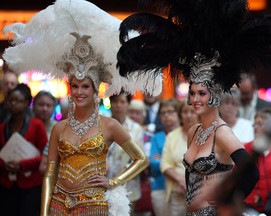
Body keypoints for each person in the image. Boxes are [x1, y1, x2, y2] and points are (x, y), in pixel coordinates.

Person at [115, 1, 271, 215]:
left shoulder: (221, 132)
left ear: (214, 94)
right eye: (192, 93)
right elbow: (190, 177)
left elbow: (251, 173)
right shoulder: (194, 131)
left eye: (201, 93)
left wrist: (226, 198)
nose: (195, 99)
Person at [2, 0, 162, 215]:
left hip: (94, 206)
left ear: (96, 89)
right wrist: (44, 212)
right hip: (59, 205)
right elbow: (50, 173)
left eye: (85, 86)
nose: (79, 92)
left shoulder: (110, 125)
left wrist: (114, 181)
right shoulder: (59, 128)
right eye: (75, 86)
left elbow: (141, 159)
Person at [0, 83, 48, 216]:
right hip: (6, 184)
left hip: (30, 185)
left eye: (18, 101)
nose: (13, 104)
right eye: (10, 100)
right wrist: (5, 164)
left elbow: (45, 155)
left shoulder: (36, 125)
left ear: (27, 103)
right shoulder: (2, 127)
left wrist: (21, 165)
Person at [244, 108, 271, 215]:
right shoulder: (245, 148)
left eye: (261, 124)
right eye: (255, 124)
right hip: (248, 207)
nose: (256, 128)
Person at [108, 91, 145, 215]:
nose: (118, 105)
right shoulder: (102, 124)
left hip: (128, 185)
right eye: (115, 101)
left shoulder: (136, 129)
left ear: (128, 104)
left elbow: (140, 158)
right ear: (110, 103)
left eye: (122, 102)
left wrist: (119, 178)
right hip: (103, 181)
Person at [160, 101, 199, 216]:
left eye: (192, 111)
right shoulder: (172, 136)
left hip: (201, 193)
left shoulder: (207, 134)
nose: (188, 115)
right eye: (184, 112)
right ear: (180, 115)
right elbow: (165, 164)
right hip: (177, 190)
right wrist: (182, 181)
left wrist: (192, 184)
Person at [150, 99, 180, 216]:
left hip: (181, 187)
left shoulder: (185, 134)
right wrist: (175, 161)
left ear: (178, 113)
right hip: (160, 187)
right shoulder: (156, 137)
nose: (166, 115)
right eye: (163, 113)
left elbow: (186, 163)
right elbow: (153, 164)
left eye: (170, 112)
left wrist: (163, 159)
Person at [32, 91, 57, 174]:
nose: (45, 109)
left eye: (48, 105)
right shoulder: (25, 125)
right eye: (41, 105)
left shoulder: (58, 128)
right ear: (34, 106)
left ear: (53, 108)